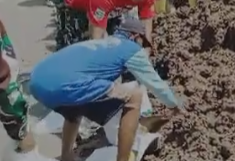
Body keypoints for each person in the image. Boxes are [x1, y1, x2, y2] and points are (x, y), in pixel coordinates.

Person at [29, 18, 182, 161]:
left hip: (37, 81)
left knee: (75, 110)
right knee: (134, 97)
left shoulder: (104, 44)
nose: (142, 47)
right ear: (136, 36)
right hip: (65, 84)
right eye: (142, 42)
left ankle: (67, 156)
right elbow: (154, 82)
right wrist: (175, 105)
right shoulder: (130, 48)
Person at [1, 19, 37, 157]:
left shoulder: (10, 100)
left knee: (20, 129)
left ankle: (27, 153)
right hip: (8, 69)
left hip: (8, 89)